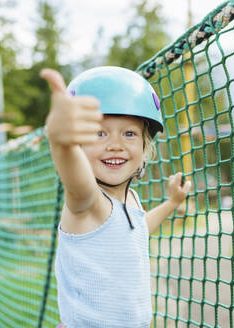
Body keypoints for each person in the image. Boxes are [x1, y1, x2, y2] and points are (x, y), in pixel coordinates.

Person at [41, 66, 191, 328]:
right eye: (100, 133)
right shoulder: (88, 203)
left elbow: (138, 229)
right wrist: (61, 142)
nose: (115, 144)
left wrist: (172, 203)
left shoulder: (130, 198)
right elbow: (76, 183)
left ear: (145, 148)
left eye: (129, 133)